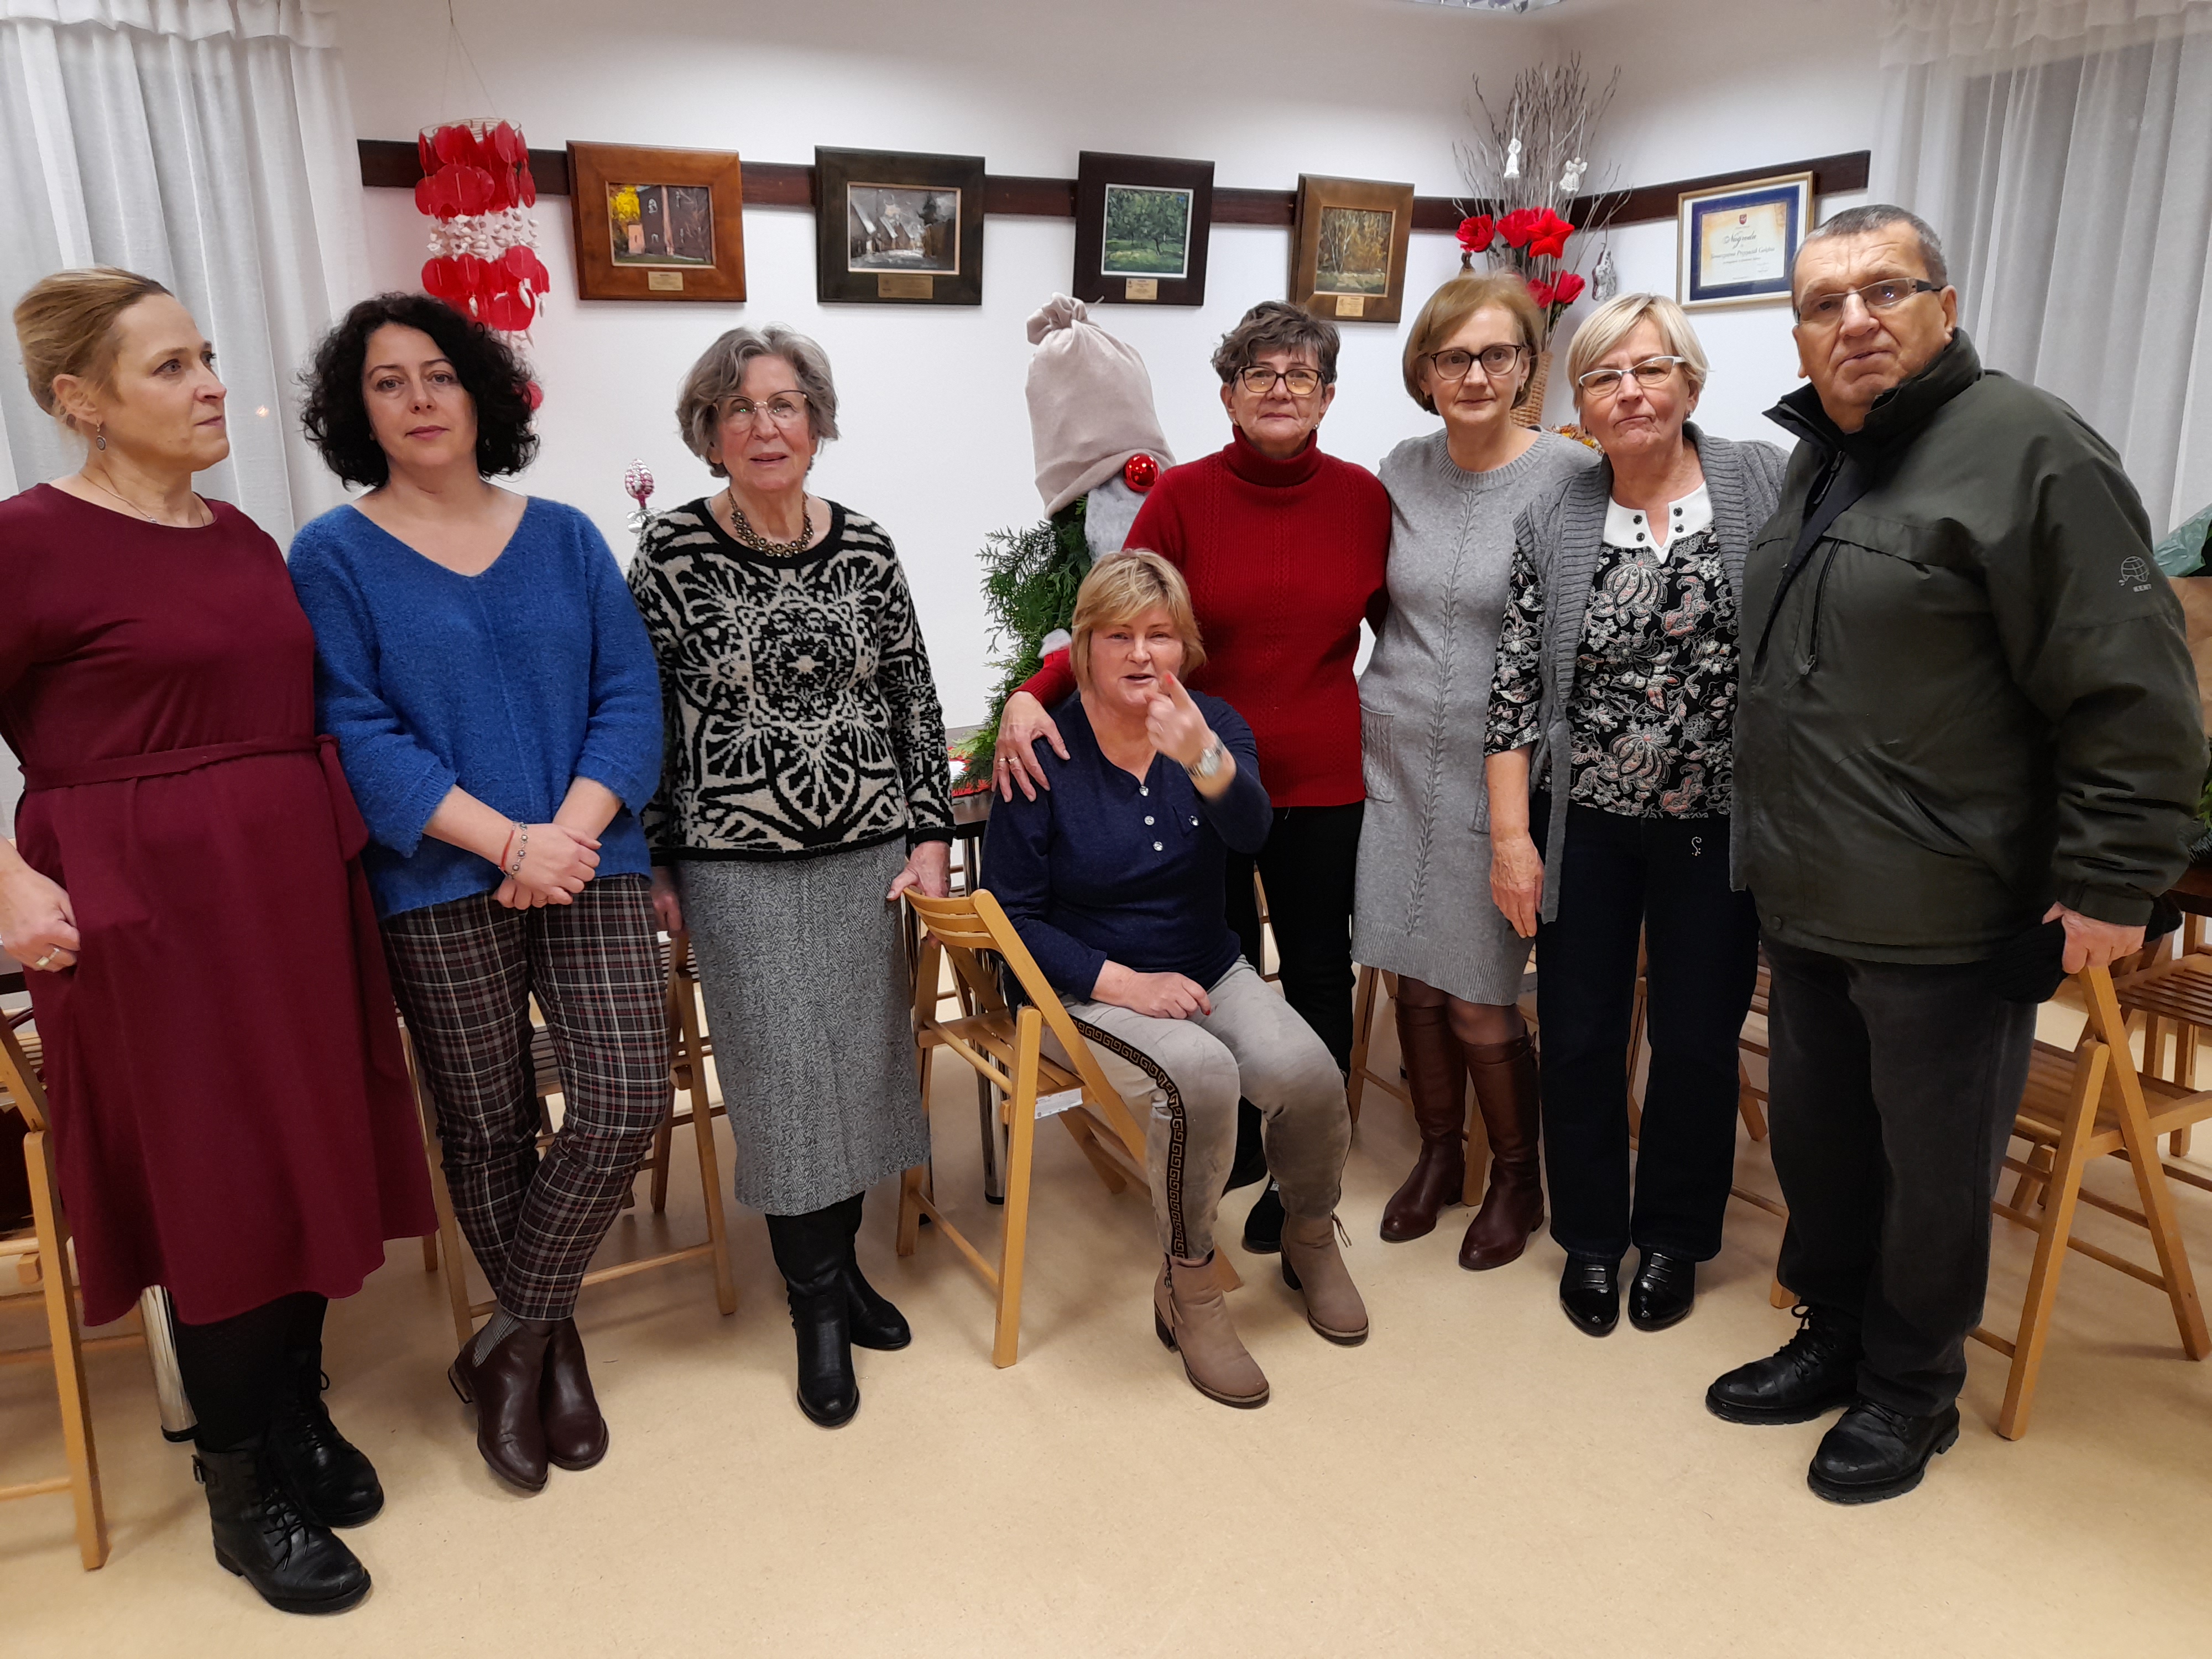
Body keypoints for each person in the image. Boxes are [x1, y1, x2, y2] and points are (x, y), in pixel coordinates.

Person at [1709, 206, 2201, 1504]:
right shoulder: (1823, 456)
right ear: (1798, 332)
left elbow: (2128, 687)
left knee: (1930, 1174)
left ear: (1943, 302)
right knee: (1821, 1147)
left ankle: (1909, 1389)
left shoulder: (2031, 451)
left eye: (1884, 289)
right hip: (1808, 890)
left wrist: (2112, 879)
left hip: (1945, 904)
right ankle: (1830, 1334)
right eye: (1822, 302)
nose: (1853, 320)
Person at [0, 268, 434, 1614]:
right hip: (149, 915)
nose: (210, 386)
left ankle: (295, 1405)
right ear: (81, 401)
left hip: (290, 895)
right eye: (171, 367)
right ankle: (240, 1482)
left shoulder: (239, 534)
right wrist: (6, 878)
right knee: (217, 1179)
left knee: (305, 1148)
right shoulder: (28, 540)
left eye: (206, 356)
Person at [289, 294, 667, 1496]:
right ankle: (551, 1355)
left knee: (624, 1095)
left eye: (439, 375)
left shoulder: (563, 536)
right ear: (358, 414)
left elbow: (630, 699)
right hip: (437, 875)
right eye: (387, 383)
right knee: (489, 1121)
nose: (418, 400)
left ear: (480, 394)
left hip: (590, 859)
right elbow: (353, 732)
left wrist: (564, 838)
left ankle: (510, 1337)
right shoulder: (332, 556)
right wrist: (507, 844)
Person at [993, 301, 1389, 1253]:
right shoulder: (1182, 496)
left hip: (1321, 777)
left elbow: (1408, 632)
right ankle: (1233, 1138)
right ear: (1227, 395)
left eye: (1300, 374)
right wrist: (1031, 694)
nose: (1281, 390)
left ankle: (1300, 1184)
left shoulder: (1364, 500)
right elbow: (1121, 616)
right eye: (1259, 374)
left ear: (1328, 395)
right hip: (1194, 773)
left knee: (1319, 970)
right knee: (1222, 955)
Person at [628, 324, 952, 1430]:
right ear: (709, 431)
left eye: (784, 404)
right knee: (779, 1082)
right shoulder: (672, 552)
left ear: (815, 422)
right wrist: (654, 852)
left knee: (857, 1069)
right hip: (736, 862)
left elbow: (912, 693)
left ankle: (844, 1270)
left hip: (866, 852)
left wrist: (928, 830)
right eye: (739, 408)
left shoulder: (865, 545)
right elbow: (641, 715)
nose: (765, 427)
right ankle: (813, 1303)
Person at [985, 551, 1364, 1408]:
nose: (1140, 653)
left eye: (1160, 635)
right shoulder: (1042, 749)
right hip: (1084, 989)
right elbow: (1013, 918)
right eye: (1117, 635)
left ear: (1185, 647)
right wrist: (1123, 983)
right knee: (1200, 1074)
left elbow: (1252, 834)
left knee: (1307, 1072)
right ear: (1083, 646)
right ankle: (1189, 1288)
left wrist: (1203, 758)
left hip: (1207, 964)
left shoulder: (1212, 724)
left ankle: (1309, 1237)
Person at [1484, 293, 1786, 1339]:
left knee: (1698, 1040)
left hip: (1718, 825)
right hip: (1588, 823)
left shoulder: (1761, 481)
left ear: (1690, 383)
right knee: (1579, 1036)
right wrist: (1513, 839)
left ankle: (1675, 1238)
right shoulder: (1556, 517)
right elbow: (1513, 694)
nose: (1630, 392)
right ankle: (1591, 1238)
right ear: (1582, 404)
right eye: (1605, 376)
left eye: (1651, 369)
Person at [1354, 272, 1598, 1263]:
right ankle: (1439, 1154)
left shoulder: (1572, 478)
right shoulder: (1399, 469)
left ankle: (1517, 1176)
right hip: (1393, 756)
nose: (1475, 375)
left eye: (1498, 354)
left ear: (1529, 366)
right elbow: (1375, 599)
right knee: (1411, 977)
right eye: (1453, 357)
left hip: (1502, 773)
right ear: (1424, 372)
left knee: (1479, 991)